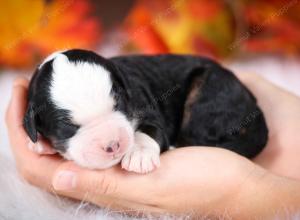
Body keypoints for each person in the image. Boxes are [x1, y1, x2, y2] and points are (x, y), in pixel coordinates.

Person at [5, 73, 300, 219]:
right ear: (34, 126)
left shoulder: (135, 91)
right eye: (71, 128)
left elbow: (150, 120)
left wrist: (247, 191)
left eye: (116, 109)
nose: (111, 143)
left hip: (209, 88)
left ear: (121, 90)